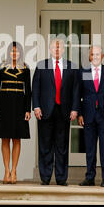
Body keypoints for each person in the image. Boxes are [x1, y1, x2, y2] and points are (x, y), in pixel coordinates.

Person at [32, 38, 80, 186]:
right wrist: (36, 106)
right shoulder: (41, 66)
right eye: (54, 47)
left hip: (64, 111)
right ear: (50, 49)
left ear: (64, 50)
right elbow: (36, 88)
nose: (57, 50)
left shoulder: (72, 67)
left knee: (62, 146)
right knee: (45, 145)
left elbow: (76, 90)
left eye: (59, 48)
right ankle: (45, 178)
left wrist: (75, 108)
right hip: (45, 111)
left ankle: (61, 178)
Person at [0, 41, 31, 184]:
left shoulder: (25, 68)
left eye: (17, 51)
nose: (15, 54)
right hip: (3, 105)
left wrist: (28, 109)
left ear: (21, 53)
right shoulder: (1, 67)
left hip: (19, 106)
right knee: (5, 138)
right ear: (8, 52)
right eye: (12, 51)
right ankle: (6, 170)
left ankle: (14, 170)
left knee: (17, 138)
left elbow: (28, 91)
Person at [78, 46, 104, 187]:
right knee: (90, 148)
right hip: (88, 115)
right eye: (92, 54)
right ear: (89, 57)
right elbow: (79, 93)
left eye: (98, 54)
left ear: (103, 56)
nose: (95, 56)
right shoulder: (84, 71)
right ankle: (90, 177)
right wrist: (80, 113)